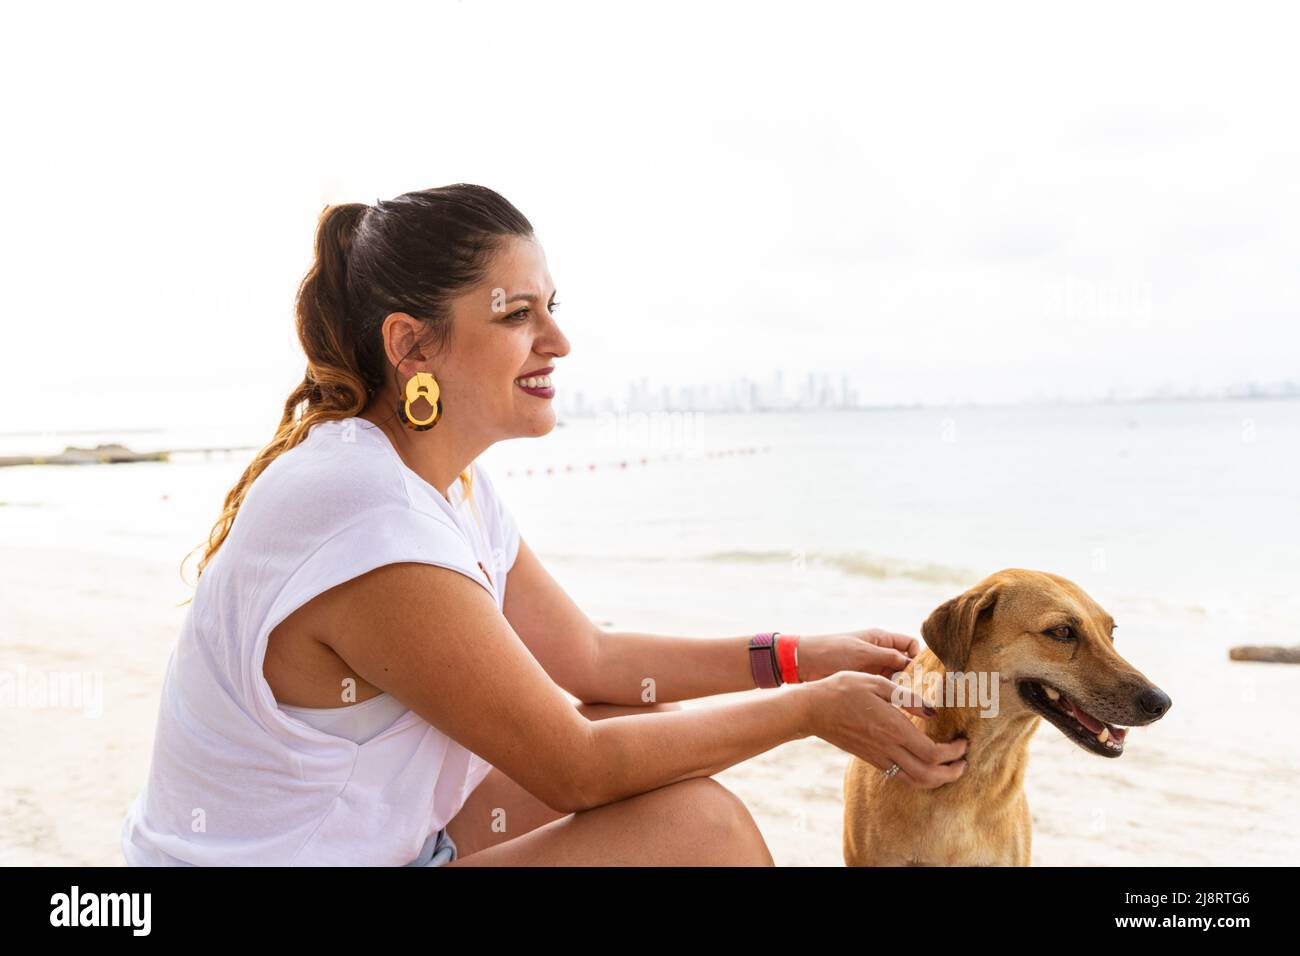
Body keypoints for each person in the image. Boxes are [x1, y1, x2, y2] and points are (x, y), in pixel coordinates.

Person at [120, 183, 968, 867]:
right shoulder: (364, 512)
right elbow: (576, 770)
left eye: (552, 307)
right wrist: (811, 710)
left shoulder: (446, 486)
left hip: (381, 848)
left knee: (624, 723)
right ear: (412, 347)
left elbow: (594, 661)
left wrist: (795, 657)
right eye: (517, 314)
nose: (557, 340)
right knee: (699, 832)